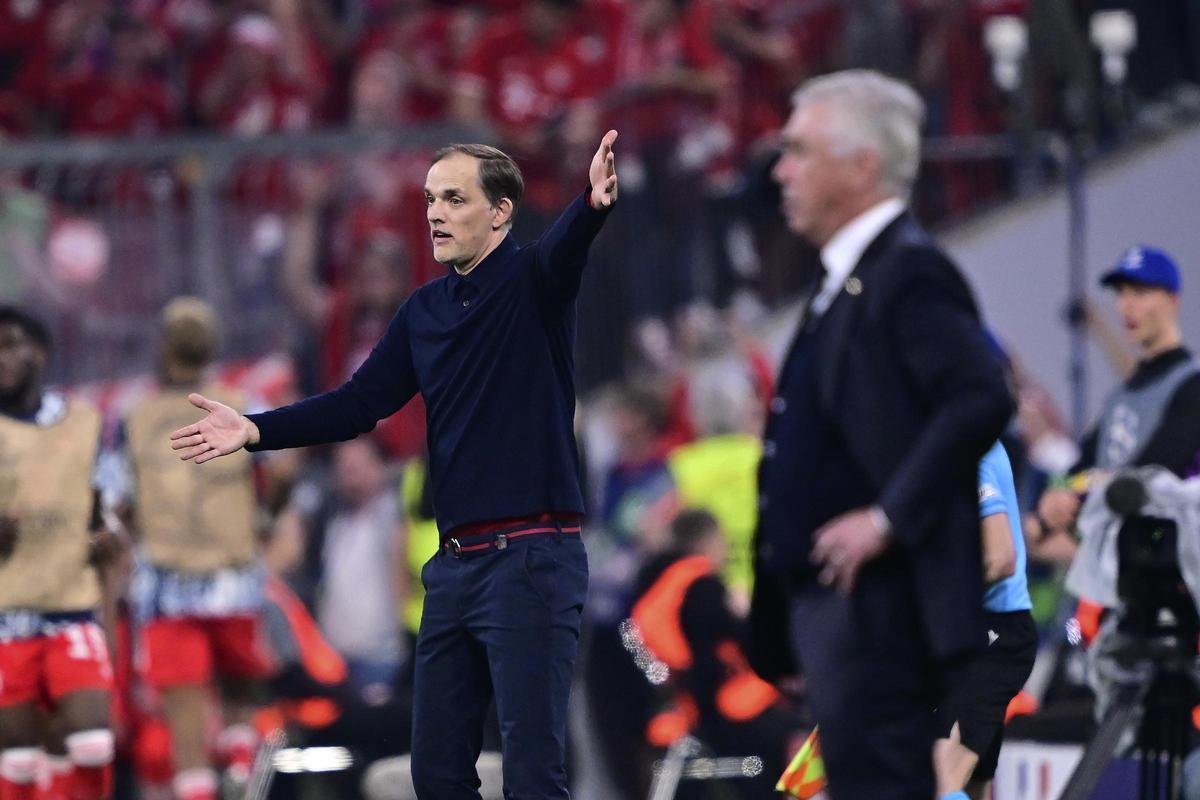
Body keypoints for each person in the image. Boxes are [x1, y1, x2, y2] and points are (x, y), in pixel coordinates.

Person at [169, 132, 620, 799]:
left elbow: (564, 251)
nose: (435, 212)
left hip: (531, 560)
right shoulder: (424, 311)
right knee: (435, 772)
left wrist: (590, 205)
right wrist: (256, 429)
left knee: (531, 772)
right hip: (453, 568)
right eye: (431, 198)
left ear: (499, 212)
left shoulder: (532, 283)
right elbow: (357, 405)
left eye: (455, 198)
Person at [748, 70, 1013, 799]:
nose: (781, 170)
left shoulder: (908, 272)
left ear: (862, 165)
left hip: (885, 618)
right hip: (845, 620)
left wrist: (886, 519)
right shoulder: (850, 279)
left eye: (799, 150)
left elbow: (980, 395)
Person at [121, 298, 273, 800]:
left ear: (164, 345)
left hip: (170, 583)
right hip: (233, 577)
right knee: (240, 704)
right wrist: (264, 516)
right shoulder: (241, 400)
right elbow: (287, 470)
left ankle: (211, 778)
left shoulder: (135, 415)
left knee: (186, 737)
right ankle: (238, 756)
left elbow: (117, 500)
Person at [0, 306, 119, 800]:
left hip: (72, 611)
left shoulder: (83, 424)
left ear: (40, 353)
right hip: (7, 617)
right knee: (21, 759)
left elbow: (109, 512)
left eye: (8, 344)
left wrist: (106, 531)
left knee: (91, 740)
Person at [631, 508, 797, 799]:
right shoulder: (701, 585)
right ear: (706, 541)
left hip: (689, 709)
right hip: (731, 709)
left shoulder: (659, 588)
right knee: (805, 739)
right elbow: (740, 642)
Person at [1038, 246, 1200, 539]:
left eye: (1139, 292)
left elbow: (1154, 473)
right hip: (1121, 562)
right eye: (1121, 293)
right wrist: (1055, 493)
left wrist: (1076, 495)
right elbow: (1081, 464)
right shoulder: (1122, 397)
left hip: (1174, 563)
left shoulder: (1192, 384)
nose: (1126, 305)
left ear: (1172, 299)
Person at [933, 441, 1038, 800]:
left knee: (939, 777)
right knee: (970, 784)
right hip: (960, 634)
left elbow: (999, 558)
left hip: (995, 635)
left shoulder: (972, 449)